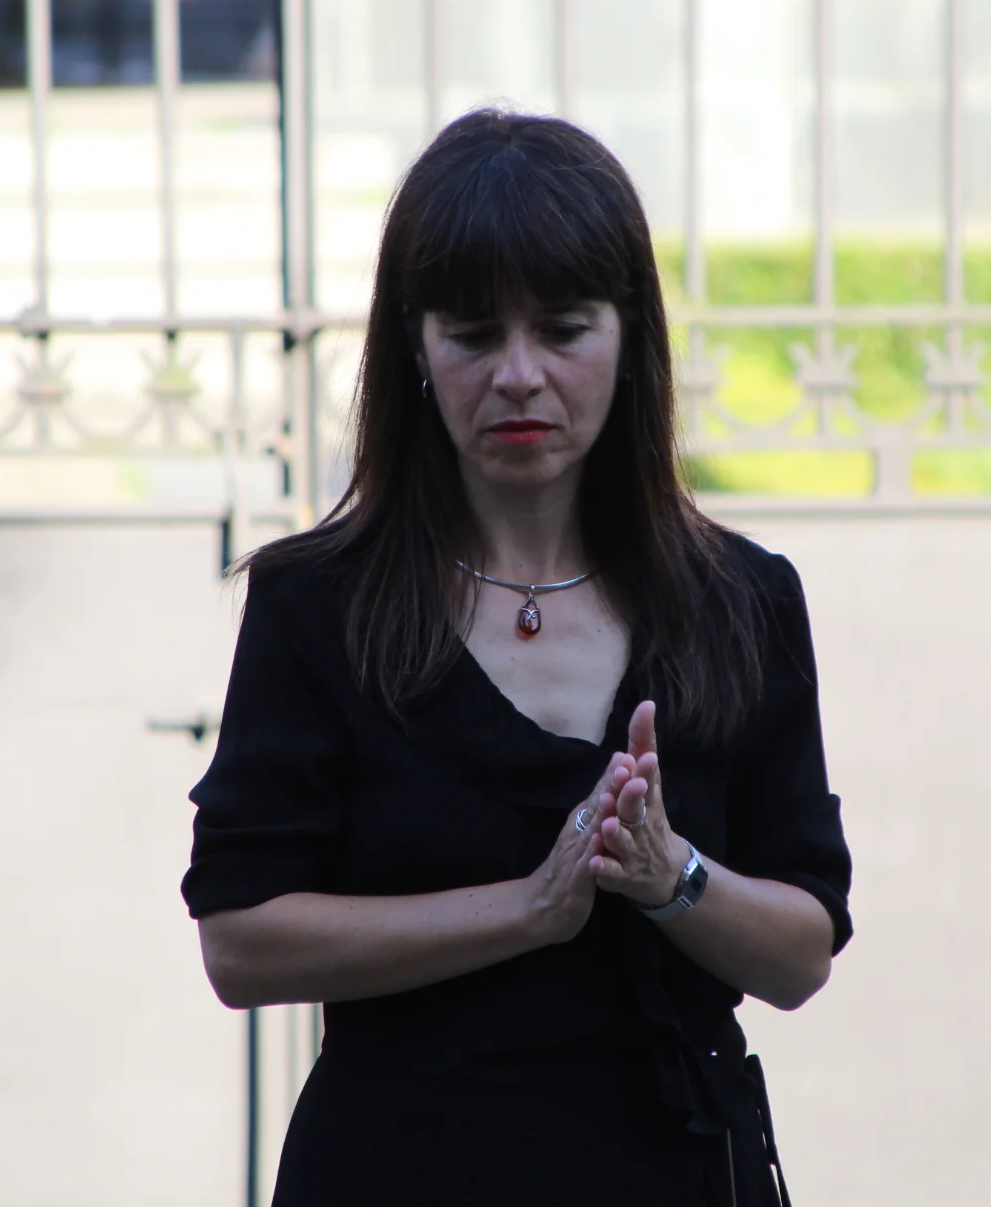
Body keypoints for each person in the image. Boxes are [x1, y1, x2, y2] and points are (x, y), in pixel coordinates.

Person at [180, 107, 852, 1207]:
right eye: (474, 333)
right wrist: (527, 909)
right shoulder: (319, 603)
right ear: (416, 345)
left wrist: (670, 876)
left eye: (563, 329)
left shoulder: (740, 601)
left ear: (630, 339)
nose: (520, 375)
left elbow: (801, 952)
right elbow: (241, 942)